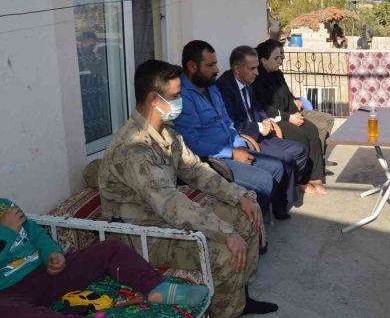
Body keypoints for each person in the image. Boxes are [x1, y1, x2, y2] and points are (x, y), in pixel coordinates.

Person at [99, 59, 277, 318]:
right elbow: (170, 204)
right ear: (154, 100)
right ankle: (226, 313)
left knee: (246, 216)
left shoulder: (166, 133)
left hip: (163, 217)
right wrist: (223, 231)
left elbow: (196, 170)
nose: (181, 101)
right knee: (224, 252)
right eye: (176, 96)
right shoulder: (134, 147)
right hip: (141, 234)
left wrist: (239, 197)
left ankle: (239, 300)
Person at [0, 199, 209, 317]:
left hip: (45, 273)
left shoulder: (5, 206)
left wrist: (52, 254)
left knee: (110, 248)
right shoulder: (7, 221)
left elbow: (37, 235)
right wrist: (6, 232)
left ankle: (157, 288)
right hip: (8, 291)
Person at [173, 41, 285, 214]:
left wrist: (240, 145)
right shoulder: (182, 96)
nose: (217, 69)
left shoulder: (211, 87)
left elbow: (227, 122)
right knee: (264, 181)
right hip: (211, 160)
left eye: (216, 63)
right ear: (192, 66)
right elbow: (192, 144)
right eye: (210, 65)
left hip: (232, 148)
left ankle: (253, 218)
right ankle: (248, 222)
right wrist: (232, 153)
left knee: (277, 167)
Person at [217, 45, 316, 216]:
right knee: (285, 159)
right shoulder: (224, 88)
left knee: (300, 150)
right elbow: (232, 124)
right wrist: (260, 127)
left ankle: (283, 196)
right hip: (246, 139)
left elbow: (257, 107)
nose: (257, 72)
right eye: (252, 68)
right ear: (237, 69)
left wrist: (266, 120)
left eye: (257, 68)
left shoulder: (247, 81)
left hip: (261, 133)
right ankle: (279, 206)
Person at [252, 39, 328, 194]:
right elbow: (264, 108)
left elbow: (287, 95)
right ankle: (302, 180)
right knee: (300, 135)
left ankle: (315, 177)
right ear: (263, 60)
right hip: (275, 119)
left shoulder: (277, 74)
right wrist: (288, 118)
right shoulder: (257, 79)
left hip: (288, 114)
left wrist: (295, 109)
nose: (280, 61)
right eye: (276, 58)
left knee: (312, 130)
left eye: (280, 57)